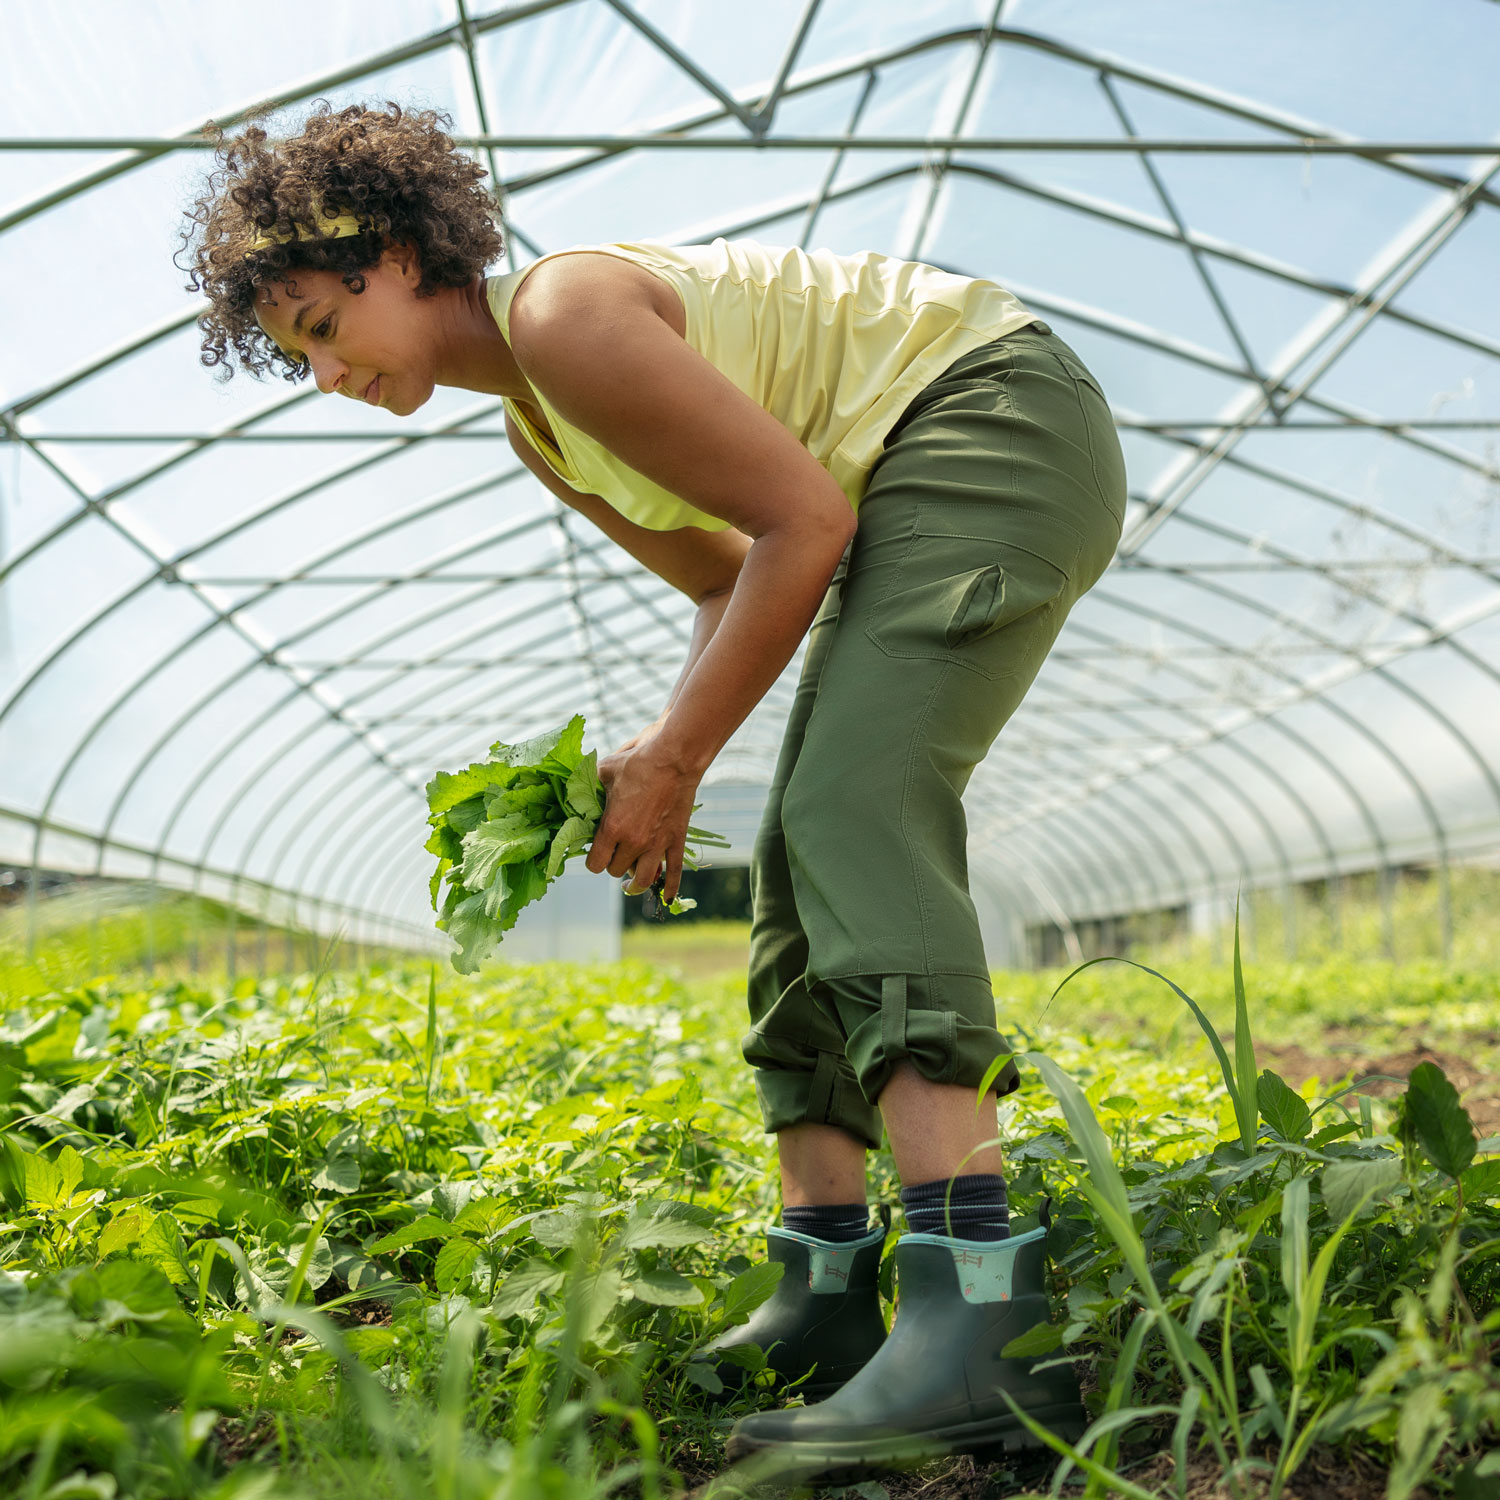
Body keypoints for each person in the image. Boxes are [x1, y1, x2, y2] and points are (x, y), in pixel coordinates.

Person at [182, 101, 1124, 1474]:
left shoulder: (566, 318)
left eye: (323, 327)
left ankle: (979, 1312)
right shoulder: (541, 430)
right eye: (295, 359)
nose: (325, 376)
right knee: (808, 855)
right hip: (913, 467)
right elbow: (731, 576)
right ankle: (825, 1292)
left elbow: (809, 526)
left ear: (395, 253)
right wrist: (653, 754)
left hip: (989, 420)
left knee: (856, 812)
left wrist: (683, 757)